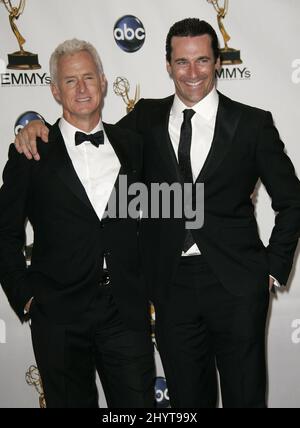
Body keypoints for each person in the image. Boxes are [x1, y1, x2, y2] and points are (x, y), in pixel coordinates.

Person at [13, 19, 300, 408]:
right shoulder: (143, 121)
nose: (192, 72)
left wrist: (271, 268)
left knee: (246, 397)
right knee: (186, 404)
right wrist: (33, 126)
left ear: (218, 62)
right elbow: (82, 129)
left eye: (201, 60)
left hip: (237, 285)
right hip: (170, 288)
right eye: (182, 62)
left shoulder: (252, 123)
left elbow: (292, 201)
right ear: (168, 65)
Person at [0, 39, 155, 408]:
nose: (82, 89)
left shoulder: (134, 145)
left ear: (103, 82)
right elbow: (4, 231)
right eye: (71, 81)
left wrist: (226, 196)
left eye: (89, 78)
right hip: (59, 315)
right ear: (55, 89)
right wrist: (25, 296)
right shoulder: (31, 151)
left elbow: (166, 207)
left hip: (125, 311)